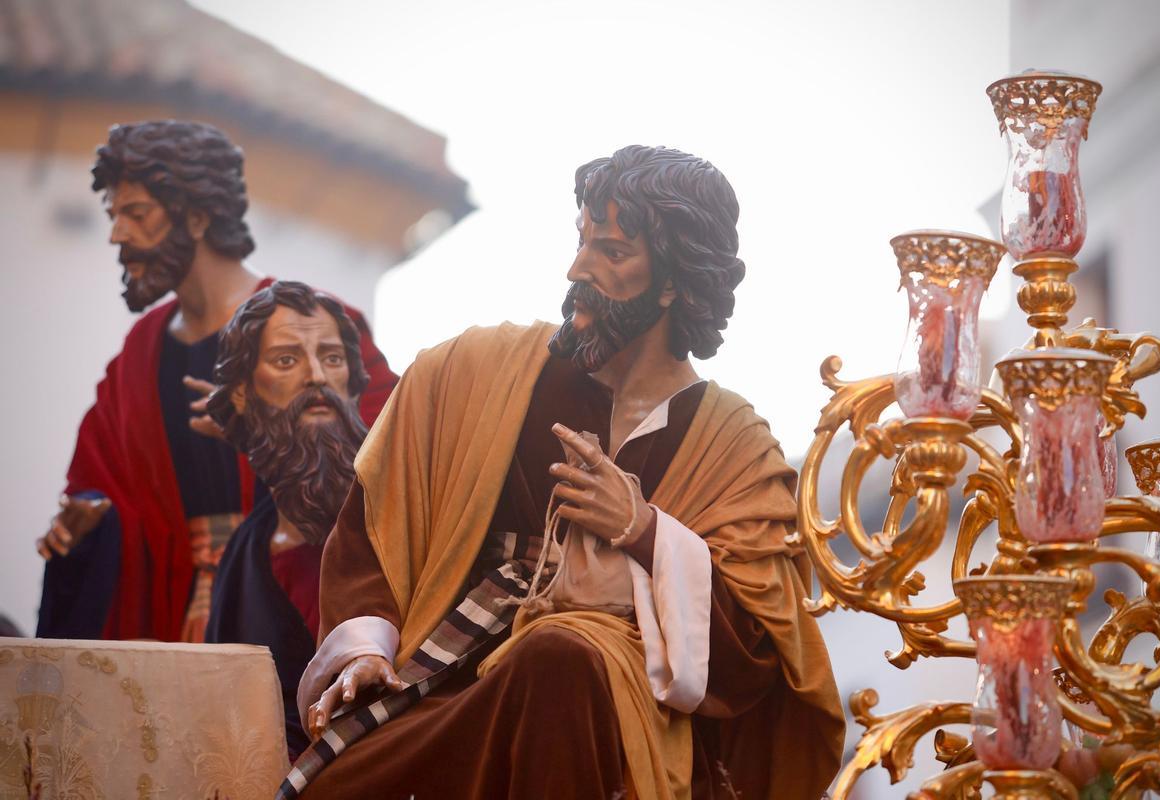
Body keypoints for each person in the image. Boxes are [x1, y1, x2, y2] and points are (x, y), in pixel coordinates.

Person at [283, 146, 845, 799]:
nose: (578, 268)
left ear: (673, 282)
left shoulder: (734, 447)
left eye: (612, 253)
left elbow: (755, 655)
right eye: (583, 242)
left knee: (557, 656)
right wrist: (365, 649)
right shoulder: (468, 372)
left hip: (604, 720)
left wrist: (644, 532)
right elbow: (374, 530)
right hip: (446, 683)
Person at [37, 121, 397, 643]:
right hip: (171, 615)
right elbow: (101, 471)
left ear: (199, 216)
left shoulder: (314, 326)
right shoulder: (141, 351)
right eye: (114, 216)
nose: (118, 235)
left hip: (282, 597)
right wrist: (92, 516)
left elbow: (383, 453)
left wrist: (264, 440)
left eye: (136, 214)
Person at [204, 281, 370, 759]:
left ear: (352, 382)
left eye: (333, 358)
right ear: (240, 392)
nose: (317, 376)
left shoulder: (398, 518)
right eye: (286, 360)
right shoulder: (245, 554)